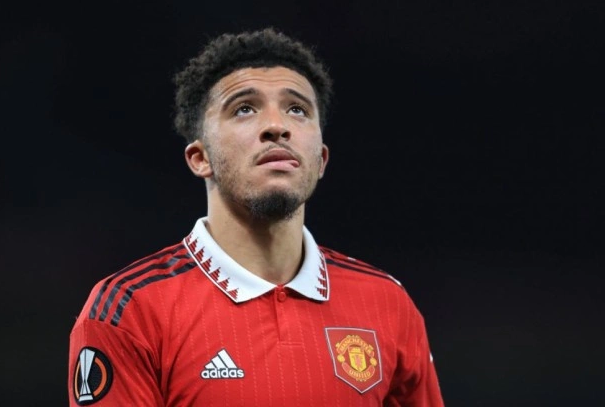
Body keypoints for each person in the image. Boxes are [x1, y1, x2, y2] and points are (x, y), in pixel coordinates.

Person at [68, 27, 445, 406]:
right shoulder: (129, 310)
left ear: (320, 160)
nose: (277, 126)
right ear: (200, 158)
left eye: (297, 109)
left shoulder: (387, 303)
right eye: (244, 108)